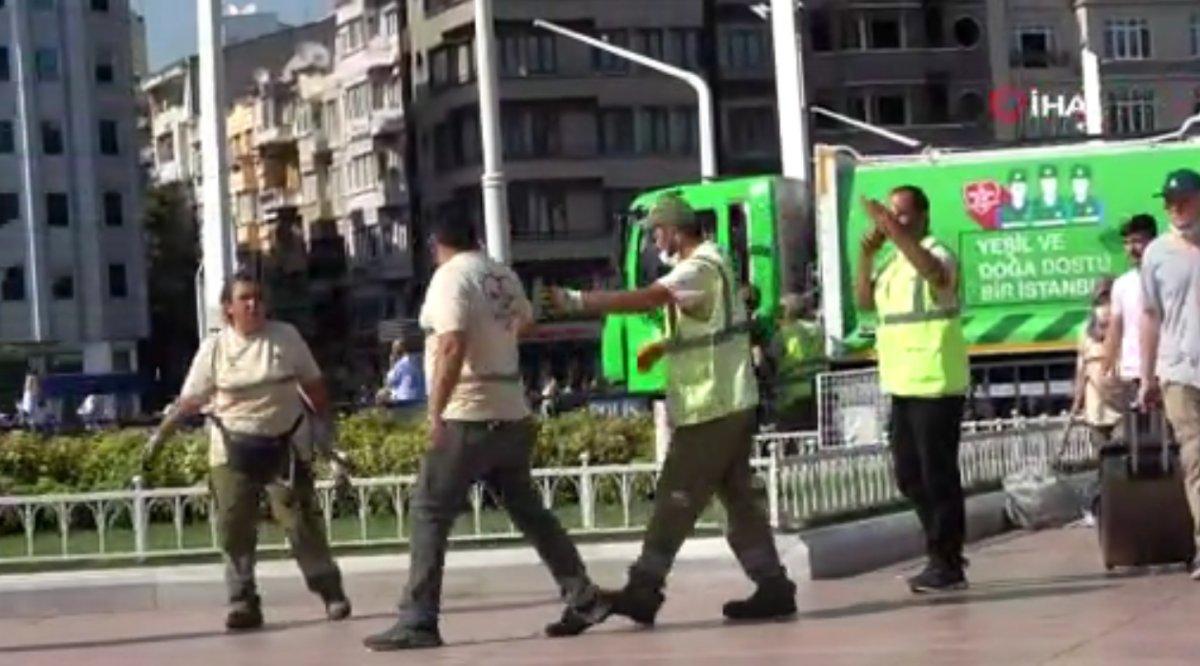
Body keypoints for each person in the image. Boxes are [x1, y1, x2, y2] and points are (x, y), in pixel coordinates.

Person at [545, 193, 797, 632]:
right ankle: (773, 585)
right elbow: (710, 328)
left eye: (657, 231)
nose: (654, 239)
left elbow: (648, 299)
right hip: (729, 401)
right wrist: (665, 346)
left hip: (711, 406)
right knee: (739, 503)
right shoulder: (715, 263)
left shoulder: (698, 267)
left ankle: (644, 589)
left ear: (675, 230)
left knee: (674, 498)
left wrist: (576, 301)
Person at [362, 220, 607, 651]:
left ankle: (418, 618)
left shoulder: (449, 278)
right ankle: (582, 595)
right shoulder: (501, 273)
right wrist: (496, 339)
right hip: (511, 410)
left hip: (468, 413)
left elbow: (452, 342)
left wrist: (435, 412)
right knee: (529, 510)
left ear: (436, 243)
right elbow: (526, 323)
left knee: (429, 510)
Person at [142, 271, 352, 630]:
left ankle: (330, 591)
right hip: (233, 450)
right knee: (234, 527)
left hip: (286, 446)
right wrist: (160, 437)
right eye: (244, 299)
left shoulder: (285, 338)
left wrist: (326, 434)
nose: (253, 304)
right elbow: (191, 400)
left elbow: (314, 387)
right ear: (228, 309)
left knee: (301, 524)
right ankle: (243, 601)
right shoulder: (215, 348)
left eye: (258, 297)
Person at [856, 185, 971, 593]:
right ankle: (942, 550)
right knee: (908, 476)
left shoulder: (938, 251)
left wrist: (890, 227)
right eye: (891, 213)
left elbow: (935, 274)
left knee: (938, 476)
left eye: (902, 214)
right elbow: (865, 301)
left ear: (922, 216)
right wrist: (866, 256)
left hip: (937, 381)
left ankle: (948, 562)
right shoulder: (891, 262)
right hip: (902, 382)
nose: (893, 220)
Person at [1137, 168, 1200, 579]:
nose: (1175, 208)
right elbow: (1149, 316)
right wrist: (1147, 377)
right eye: (1169, 202)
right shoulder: (1156, 253)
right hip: (1181, 370)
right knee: (1196, 457)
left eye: (1184, 199)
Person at [1102, 214, 1157, 401]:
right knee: (1137, 429)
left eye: (1137, 241)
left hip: (1165, 370)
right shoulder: (1122, 284)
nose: (1131, 249)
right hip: (1132, 371)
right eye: (1127, 243)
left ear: (1152, 242)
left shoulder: (1167, 277)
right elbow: (1115, 328)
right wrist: (1106, 366)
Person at [1071, 278, 1123, 447]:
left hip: (1121, 406)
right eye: (1100, 302)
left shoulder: (1126, 331)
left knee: (1122, 452)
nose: (1104, 308)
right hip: (1096, 408)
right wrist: (1077, 400)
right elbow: (1082, 369)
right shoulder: (1085, 333)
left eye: (1108, 301)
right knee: (1100, 454)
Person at [771, 293, 824, 433]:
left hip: (792, 396)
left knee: (792, 437)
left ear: (787, 312)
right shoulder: (818, 329)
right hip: (819, 391)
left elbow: (771, 358)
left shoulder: (783, 334)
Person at [381, 339, 426, 405]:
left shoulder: (400, 365)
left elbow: (390, 381)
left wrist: (392, 364)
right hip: (419, 397)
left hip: (403, 399)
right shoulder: (416, 361)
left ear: (395, 352)